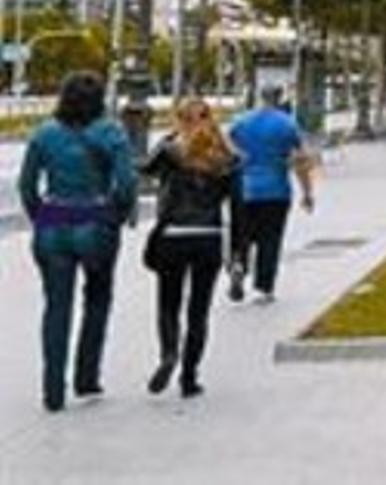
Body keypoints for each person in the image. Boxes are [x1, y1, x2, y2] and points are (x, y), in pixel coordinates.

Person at [17, 71, 137, 413]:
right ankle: (87, 377)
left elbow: (27, 187)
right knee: (97, 297)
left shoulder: (44, 134)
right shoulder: (110, 132)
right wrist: (115, 214)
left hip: (53, 221)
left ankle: (53, 390)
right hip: (95, 221)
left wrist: (41, 214)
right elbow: (126, 183)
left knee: (56, 305)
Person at [142, 97, 240, 398]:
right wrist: (237, 253)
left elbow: (145, 170)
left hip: (173, 235)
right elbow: (238, 208)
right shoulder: (226, 156)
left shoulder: (170, 150)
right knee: (199, 311)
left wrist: (171, 139)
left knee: (168, 304)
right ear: (210, 118)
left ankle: (169, 353)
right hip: (208, 237)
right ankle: (189, 377)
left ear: (179, 119)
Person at [227, 84, 314, 302]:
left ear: (259, 97)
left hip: (244, 190)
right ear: (280, 98)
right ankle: (264, 288)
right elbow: (301, 161)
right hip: (276, 191)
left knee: (242, 234)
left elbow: (226, 151)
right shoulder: (287, 124)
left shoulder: (241, 122)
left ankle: (239, 263)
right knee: (270, 240)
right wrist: (307, 192)